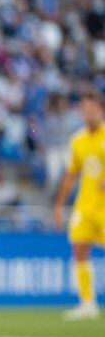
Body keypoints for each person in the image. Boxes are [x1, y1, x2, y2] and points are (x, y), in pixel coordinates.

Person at [53, 90, 104, 321]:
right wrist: (59, 205)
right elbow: (71, 174)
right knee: (79, 250)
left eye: (92, 109)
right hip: (85, 204)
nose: (88, 114)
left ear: (100, 111)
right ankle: (88, 303)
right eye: (84, 110)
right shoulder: (78, 140)